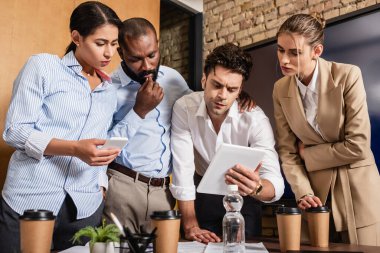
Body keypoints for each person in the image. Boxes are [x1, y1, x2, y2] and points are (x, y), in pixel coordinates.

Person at [103, 18, 256, 233]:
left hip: (163, 192)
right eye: (135, 59)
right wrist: (139, 111)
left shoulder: (172, 78)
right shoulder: (108, 89)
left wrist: (236, 94)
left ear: (158, 46)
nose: (146, 66)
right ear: (121, 54)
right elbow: (102, 149)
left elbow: (198, 105)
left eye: (152, 55)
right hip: (123, 187)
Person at [0, 2, 122, 251]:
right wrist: (75, 149)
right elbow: (15, 130)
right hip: (30, 198)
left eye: (114, 43)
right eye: (100, 43)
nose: (109, 53)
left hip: (85, 207)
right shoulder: (43, 67)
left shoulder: (110, 91)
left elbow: (100, 141)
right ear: (76, 37)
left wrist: (100, 185)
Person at [272, 13, 380, 246]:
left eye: (294, 52)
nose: (285, 60)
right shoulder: (280, 89)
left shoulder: (348, 75)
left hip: (358, 190)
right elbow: (287, 151)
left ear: (317, 51)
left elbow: (359, 146)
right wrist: (303, 192)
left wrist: (309, 154)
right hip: (315, 194)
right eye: (281, 50)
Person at [170, 43, 284, 243]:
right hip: (201, 195)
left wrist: (256, 188)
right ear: (204, 80)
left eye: (232, 89)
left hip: (245, 200)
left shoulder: (255, 119)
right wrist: (190, 225)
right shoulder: (184, 108)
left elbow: (274, 181)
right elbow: (183, 169)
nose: (223, 96)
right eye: (217, 85)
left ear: (240, 91)